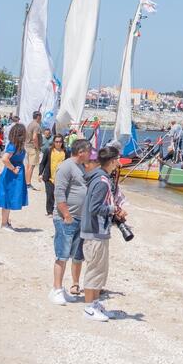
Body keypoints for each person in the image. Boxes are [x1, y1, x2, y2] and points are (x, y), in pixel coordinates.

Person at [81, 145, 123, 322]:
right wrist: (113, 209)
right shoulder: (101, 181)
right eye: (117, 160)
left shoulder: (101, 178)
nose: (119, 163)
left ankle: (95, 304)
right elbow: (94, 208)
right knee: (94, 270)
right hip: (95, 232)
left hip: (98, 231)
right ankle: (89, 307)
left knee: (100, 271)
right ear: (112, 161)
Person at [51, 138, 92, 305]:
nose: (91, 154)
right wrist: (66, 214)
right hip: (66, 218)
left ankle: (63, 288)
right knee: (62, 255)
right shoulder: (66, 166)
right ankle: (56, 289)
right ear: (81, 152)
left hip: (79, 219)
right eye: (89, 151)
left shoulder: (81, 166)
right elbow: (59, 192)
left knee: (72, 254)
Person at [0, 122, 29, 228]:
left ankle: (6, 221)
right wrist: (13, 169)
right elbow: (4, 159)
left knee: (10, 197)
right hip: (11, 175)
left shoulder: (17, 145)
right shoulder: (13, 145)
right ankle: (4, 223)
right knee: (8, 198)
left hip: (15, 175)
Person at [39, 134, 65, 216]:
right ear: (54, 142)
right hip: (49, 177)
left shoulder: (66, 152)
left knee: (59, 195)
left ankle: (59, 211)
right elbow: (42, 163)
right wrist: (40, 173)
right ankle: (50, 211)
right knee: (49, 194)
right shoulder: (48, 151)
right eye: (56, 141)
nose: (58, 143)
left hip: (61, 178)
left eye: (60, 142)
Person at [24, 114, 43, 188]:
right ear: (38, 117)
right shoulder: (36, 125)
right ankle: (28, 183)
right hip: (33, 148)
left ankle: (26, 182)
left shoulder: (30, 124)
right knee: (31, 166)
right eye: (41, 117)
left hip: (27, 146)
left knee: (28, 166)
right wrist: (37, 147)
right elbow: (35, 137)